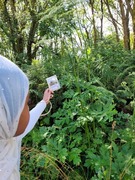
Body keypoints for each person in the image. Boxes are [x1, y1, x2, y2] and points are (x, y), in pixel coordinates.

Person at [0, 54, 53, 180]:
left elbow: (26, 124)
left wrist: (44, 102)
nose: (27, 109)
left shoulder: (9, 135)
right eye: (26, 104)